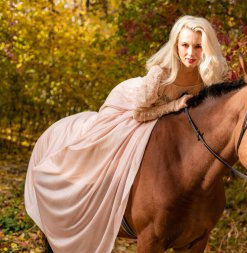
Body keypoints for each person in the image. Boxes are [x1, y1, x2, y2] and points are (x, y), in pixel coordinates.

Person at [24, 15, 228, 253]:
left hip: (170, 121)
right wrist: (174, 106)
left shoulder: (207, 76)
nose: (190, 52)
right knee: (108, 145)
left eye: (197, 46)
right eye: (185, 45)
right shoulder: (160, 73)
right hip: (134, 108)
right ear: (176, 45)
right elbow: (140, 113)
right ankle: (86, 191)